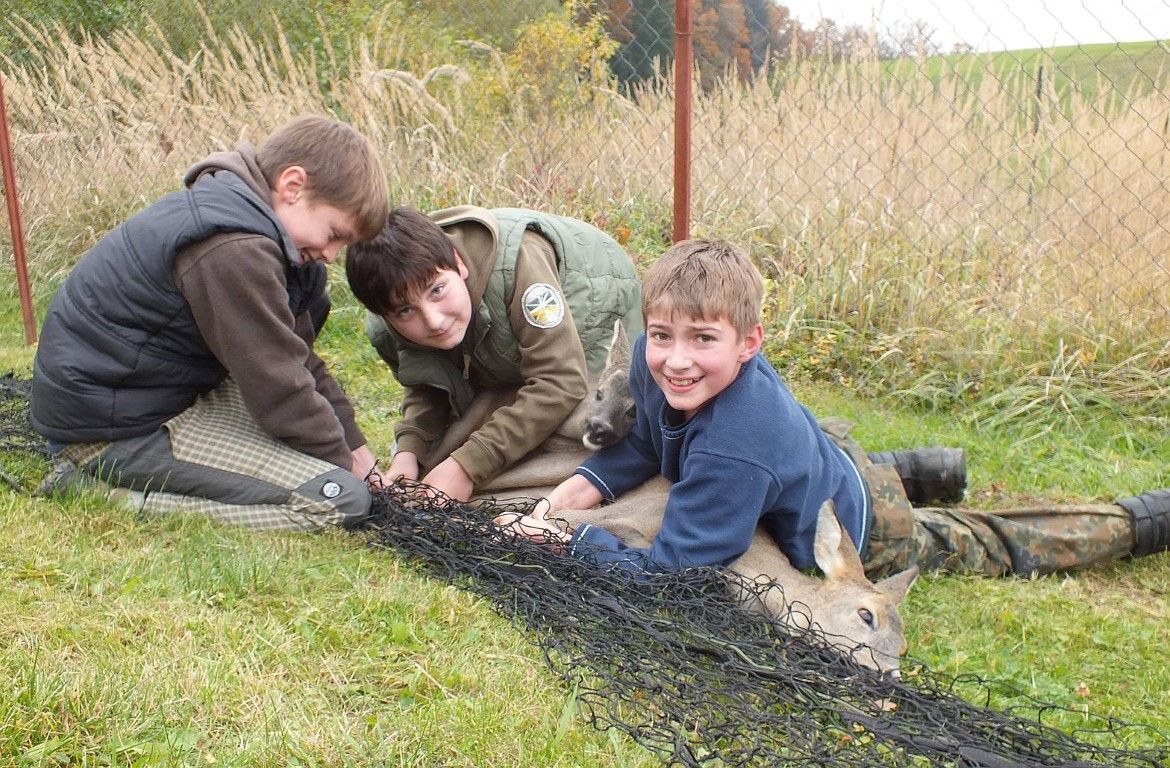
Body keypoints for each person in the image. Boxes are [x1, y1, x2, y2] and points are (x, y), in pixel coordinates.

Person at [505, 239, 1170, 578]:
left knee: (975, 540)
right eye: (665, 335)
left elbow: (674, 576)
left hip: (857, 526)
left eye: (703, 339)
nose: (676, 359)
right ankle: (922, 467)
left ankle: (1133, 523)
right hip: (820, 458)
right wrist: (587, 484)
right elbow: (649, 444)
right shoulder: (655, 362)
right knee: (806, 458)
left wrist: (574, 541)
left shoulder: (734, 447)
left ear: (749, 343)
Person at [31, 115, 389, 531]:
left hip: (157, 398)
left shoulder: (253, 227)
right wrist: (344, 469)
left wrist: (359, 452)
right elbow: (278, 387)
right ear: (293, 186)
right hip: (112, 432)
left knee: (336, 468)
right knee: (340, 500)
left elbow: (299, 363)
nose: (331, 254)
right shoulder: (234, 248)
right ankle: (96, 489)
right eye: (334, 234)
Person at [345, 205, 642, 502]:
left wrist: (467, 466)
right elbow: (429, 383)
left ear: (459, 265)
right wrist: (410, 451)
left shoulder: (520, 269)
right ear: (384, 315)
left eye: (437, 290)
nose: (433, 321)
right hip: (509, 335)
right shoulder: (386, 330)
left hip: (594, 308)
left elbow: (561, 381)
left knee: (589, 428)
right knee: (468, 430)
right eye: (406, 310)